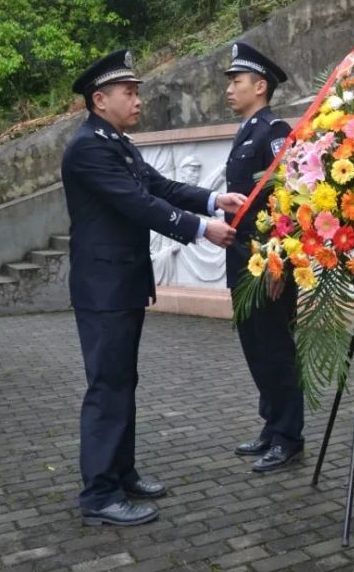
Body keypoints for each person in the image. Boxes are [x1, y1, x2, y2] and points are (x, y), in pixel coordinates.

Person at [61, 49, 244, 526]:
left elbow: (159, 187)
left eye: (137, 91)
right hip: (103, 289)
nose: (138, 100)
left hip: (120, 285)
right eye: (129, 92)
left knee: (123, 382)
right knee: (108, 387)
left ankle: (121, 473)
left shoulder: (116, 143)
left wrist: (213, 199)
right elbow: (138, 203)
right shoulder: (88, 148)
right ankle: (99, 495)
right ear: (100, 100)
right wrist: (202, 229)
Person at [223, 42, 305, 472]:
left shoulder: (275, 131)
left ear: (260, 86)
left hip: (268, 262)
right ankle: (272, 426)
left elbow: (287, 197)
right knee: (255, 347)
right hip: (241, 259)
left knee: (276, 349)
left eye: (236, 81)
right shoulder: (246, 132)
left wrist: (279, 263)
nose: (229, 89)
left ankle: (289, 437)